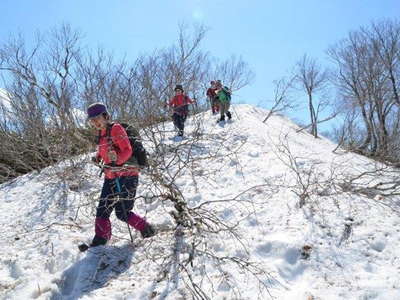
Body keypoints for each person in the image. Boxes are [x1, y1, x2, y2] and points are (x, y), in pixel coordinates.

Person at [86, 103, 155, 248]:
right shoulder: (101, 134)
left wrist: (117, 161)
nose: (95, 122)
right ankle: (100, 240)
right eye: (92, 120)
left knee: (122, 211)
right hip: (110, 176)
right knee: (103, 209)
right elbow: (105, 150)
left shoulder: (116, 129)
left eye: (97, 118)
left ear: (105, 116)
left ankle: (146, 229)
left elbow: (127, 150)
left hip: (128, 174)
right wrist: (98, 157)